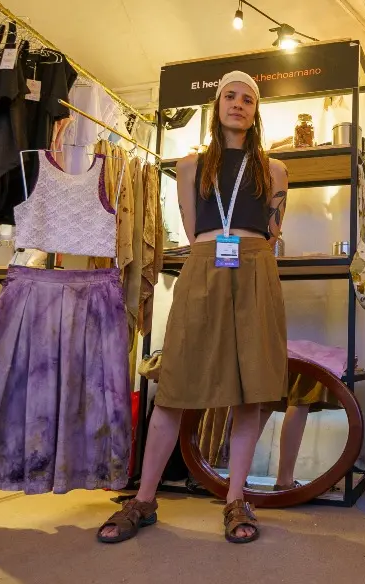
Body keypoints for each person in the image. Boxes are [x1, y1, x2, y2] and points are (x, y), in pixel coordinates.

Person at [97, 70, 289, 545]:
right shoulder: (189, 166)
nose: (238, 104)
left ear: (256, 111)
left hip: (256, 268)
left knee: (251, 390)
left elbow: (272, 231)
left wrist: (243, 251)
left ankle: (236, 498)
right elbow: (191, 225)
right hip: (204, 264)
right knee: (176, 385)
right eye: (230, 96)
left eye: (247, 99)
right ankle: (144, 499)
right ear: (217, 105)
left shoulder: (274, 170)